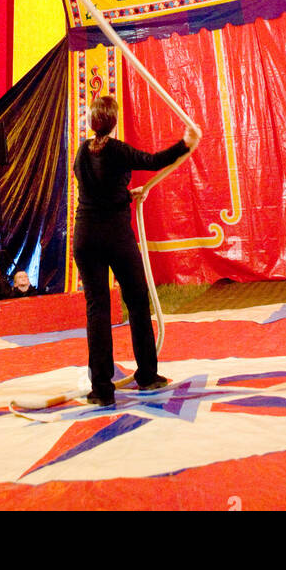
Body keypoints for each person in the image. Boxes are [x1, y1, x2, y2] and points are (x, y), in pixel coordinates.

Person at [73, 94, 200, 407]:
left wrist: (129, 195)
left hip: (86, 236)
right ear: (114, 122)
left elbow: (97, 192)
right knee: (137, 300)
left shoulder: (81, 152)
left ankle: (101, 389)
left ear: (93, 122)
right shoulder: (116, 149)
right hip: (114, 235)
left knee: (97, 310)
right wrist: (186, 143)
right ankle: (146, 375)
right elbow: (153, 161)